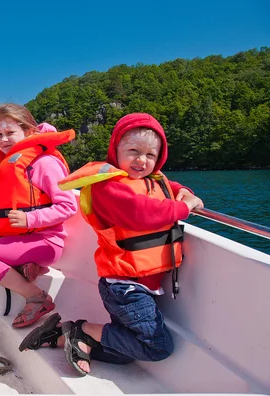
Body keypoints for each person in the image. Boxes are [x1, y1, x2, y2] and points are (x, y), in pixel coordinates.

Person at [19, 113, 204, 377]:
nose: (142, 160)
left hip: (142, 284)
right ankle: (81, 330)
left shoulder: (151, 179)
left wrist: (185, 191)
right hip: (125, 287)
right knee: (156, 348)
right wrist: (184, 207)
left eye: (151, 155)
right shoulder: (109, 187)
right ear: (116, 151)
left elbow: (169, 186)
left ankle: (59, 336)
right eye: (133, 151)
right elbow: (141, 213)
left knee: (124, 355)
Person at [0, 103, 78, 329]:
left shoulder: (43, 163)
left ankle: (36, 297)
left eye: (10, 133)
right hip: (23, 238)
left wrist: (30, 219)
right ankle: (25, 267)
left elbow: (67, 207)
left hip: (46, 242)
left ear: (29, 131)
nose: (4, 139)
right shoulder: (6, 163)